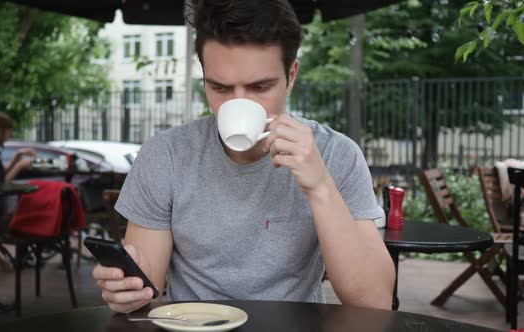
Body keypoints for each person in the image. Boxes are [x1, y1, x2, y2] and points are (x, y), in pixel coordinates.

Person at [93, 0, 395, 312]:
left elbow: (374, 302)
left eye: (260, 87)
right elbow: (146, 285)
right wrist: (126, 290)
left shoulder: (336, 154)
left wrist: (320, 187)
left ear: (291, 76)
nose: (237, 104)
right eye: (220, 88)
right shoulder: (166, 155)